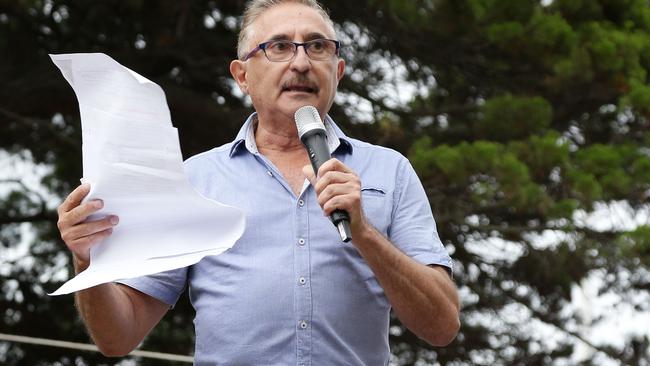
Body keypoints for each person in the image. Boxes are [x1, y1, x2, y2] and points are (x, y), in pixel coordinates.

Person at [56, 0, 460, 364]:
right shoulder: (195, 178)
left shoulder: (390, 170)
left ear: (337, 71)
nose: (301, 63)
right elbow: (118, 337)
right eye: (279, 47)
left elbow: (442, 326)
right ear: (242, 76)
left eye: (317, 46)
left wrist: (365, 233)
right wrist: (88, 260)